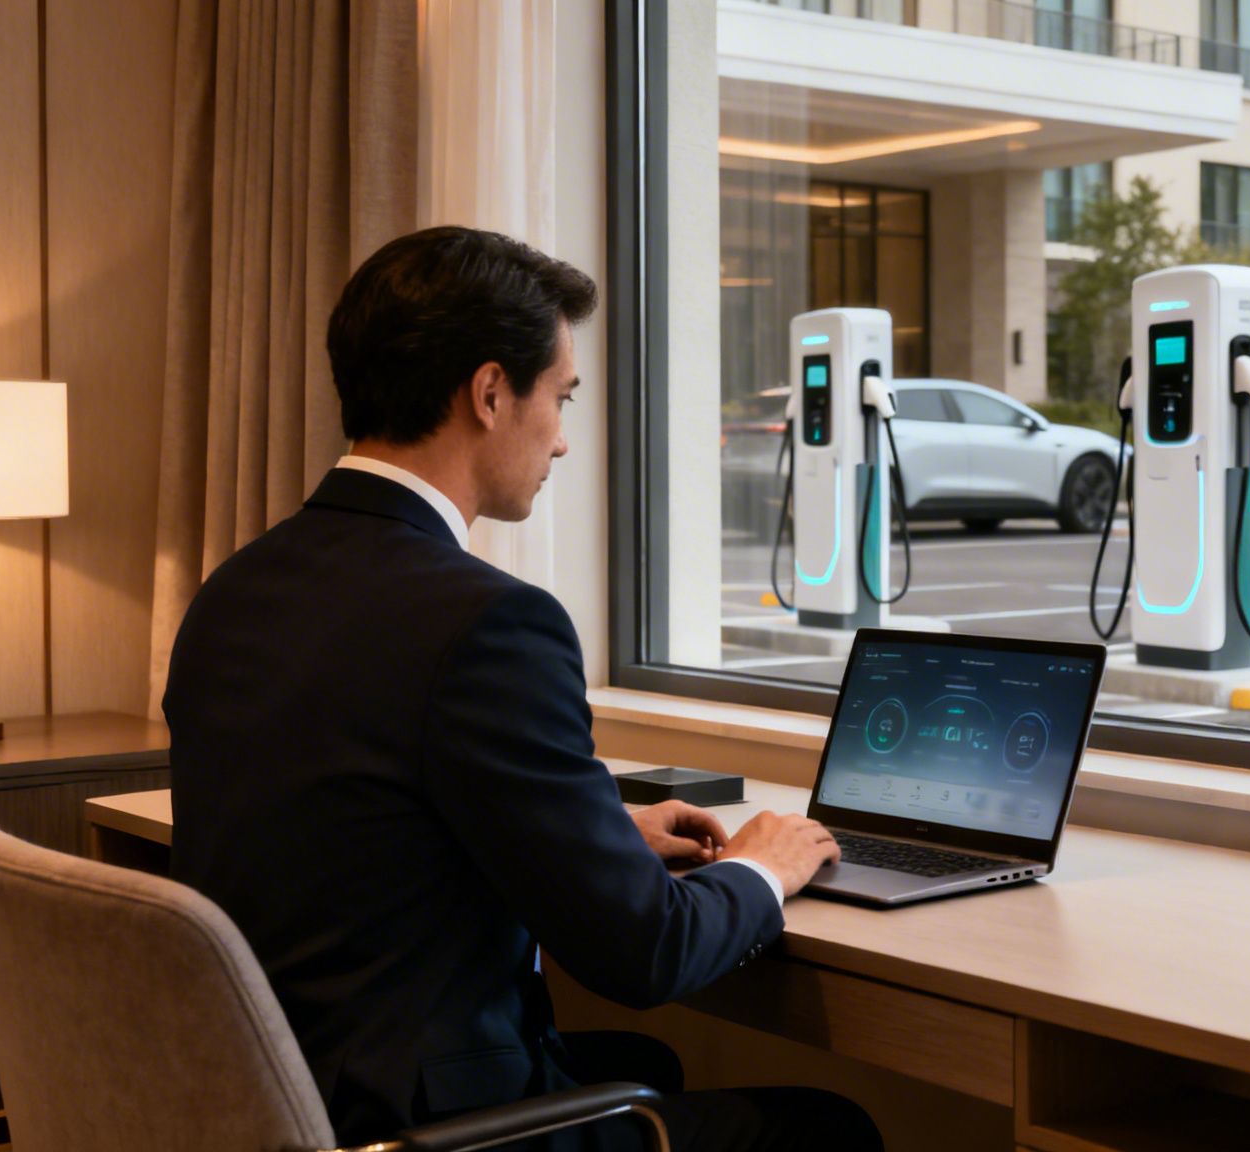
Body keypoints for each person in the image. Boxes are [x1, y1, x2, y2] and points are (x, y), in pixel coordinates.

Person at [165, 225, 880, 1151]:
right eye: (561, 396)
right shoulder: (489, 624)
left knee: (643, 1069)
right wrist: (764, 866)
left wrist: (593, 837)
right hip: (412, 1126)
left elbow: (345, 826)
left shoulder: (238, 586)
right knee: (828, 1128)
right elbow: (647, 952)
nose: (566, 441)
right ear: (491, 393)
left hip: (281, 1091)